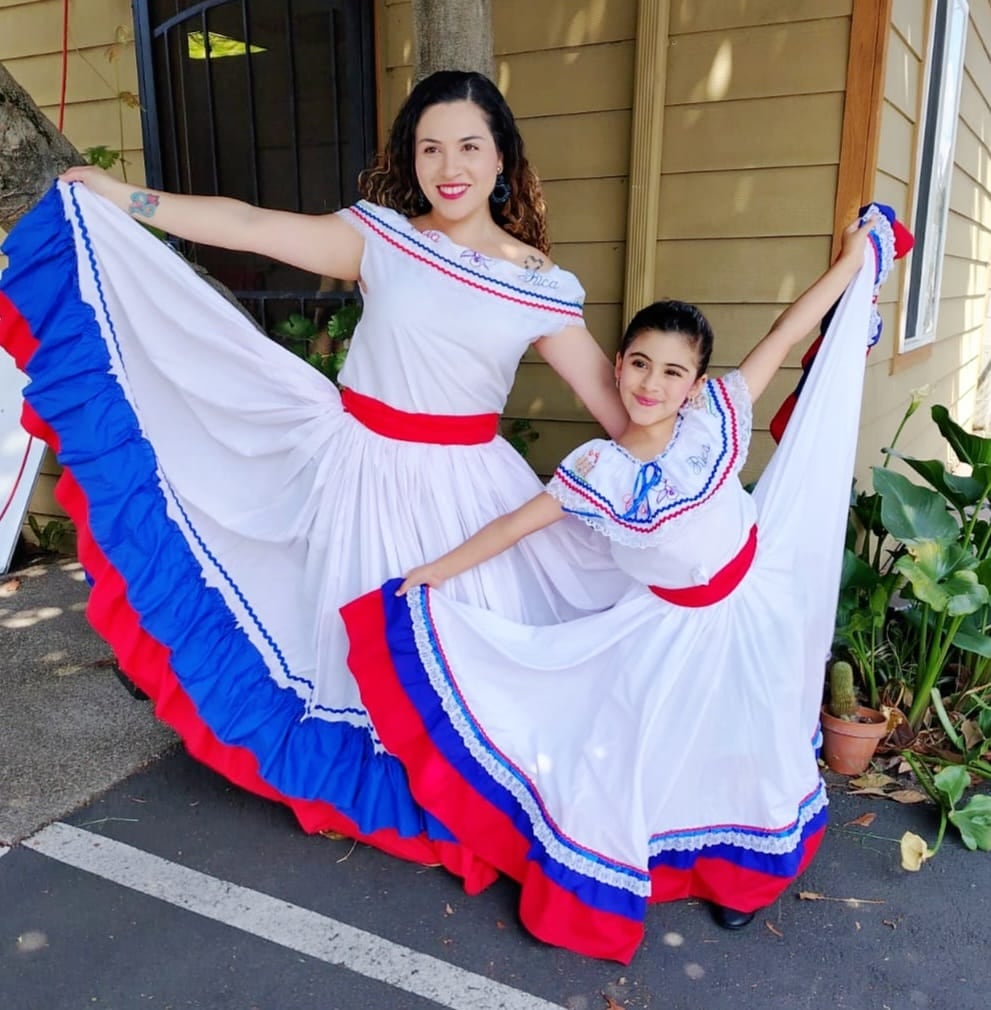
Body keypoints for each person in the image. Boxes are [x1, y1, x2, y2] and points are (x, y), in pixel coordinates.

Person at [0, 71, 635, 881]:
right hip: (358, 462)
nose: (450, 165)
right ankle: (351, 781)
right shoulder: (383, 238)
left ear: (501, 157)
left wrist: (702, 443)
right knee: (338, 629)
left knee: (458, 660)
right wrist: (129, 198)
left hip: (465, 492)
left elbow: (618, 415)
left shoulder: (539, 284)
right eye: (429, 145)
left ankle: (444, 784)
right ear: (411, 155)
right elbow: (251, 224)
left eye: (469, 146)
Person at [340, 209, 906, 962]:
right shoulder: (594, 471)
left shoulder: (717, 414)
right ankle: (663, 858)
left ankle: (746, 879)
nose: (652, 382)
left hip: (754, 603)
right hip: (671, 628)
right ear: (615, 364)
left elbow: (789, 326)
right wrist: (432, 572)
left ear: (693, 382)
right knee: (646, 750)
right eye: (639, 363)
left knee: (754, 739)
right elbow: (512, 526)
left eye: (673, 371)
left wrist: (854, 259)